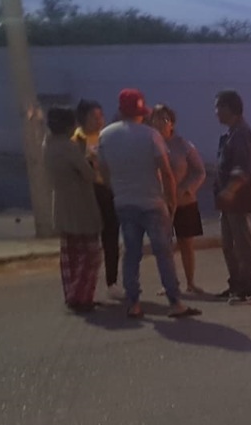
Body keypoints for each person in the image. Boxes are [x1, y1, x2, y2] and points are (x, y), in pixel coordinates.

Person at [96, 88, 200, 319]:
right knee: (163, 253)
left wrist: (117, 189)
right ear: (141, 112)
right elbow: (165, 171)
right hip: (152, 202)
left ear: (121, 110)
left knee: (131, 254)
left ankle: (134, 303)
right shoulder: (151, 135)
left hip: (124, 202)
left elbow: (102, 170)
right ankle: (175, 303)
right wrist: (171, 200)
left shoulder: (106, 136)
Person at [44, 105, 102, 312]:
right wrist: (93, 163)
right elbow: (89, 174)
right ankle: (81, 295)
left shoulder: (48, 144)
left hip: (61, 204)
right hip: (80, 205)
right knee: (90, 254)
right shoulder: (69, 147)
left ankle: (71, 293)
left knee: (70, 254)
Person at [213, 89, 251, 303]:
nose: (216, 112)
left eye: (218, 107)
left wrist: (230, 190)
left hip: (238, 201)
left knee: (241, 245)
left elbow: (242, 168)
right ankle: (236, 284)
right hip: (228, 204)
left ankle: (249, 289)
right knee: (229, 245)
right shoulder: (232, 133)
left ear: (229, 108)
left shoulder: (241, 133)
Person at [149, 104, 207, 294]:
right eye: (156, 119)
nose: (160, 123)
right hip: (160, 203)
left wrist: (186, 189)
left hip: (184, 202)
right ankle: (168, 283)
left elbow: (199, 171)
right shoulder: (149, 145)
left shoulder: (184, 145)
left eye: (164, 119)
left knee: (186, 244)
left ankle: (191, 282)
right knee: (164, 246)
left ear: (172, 124)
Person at [73, 99, 122, 300]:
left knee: (111, 238)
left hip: (108, 191)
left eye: (101, 115)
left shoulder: (106, 136)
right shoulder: (78, 140)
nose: (99, 120)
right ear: (83, 118)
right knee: (89, 243)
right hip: (89, 193)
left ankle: (112, 282)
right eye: (94, 116)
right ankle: (85, 287)